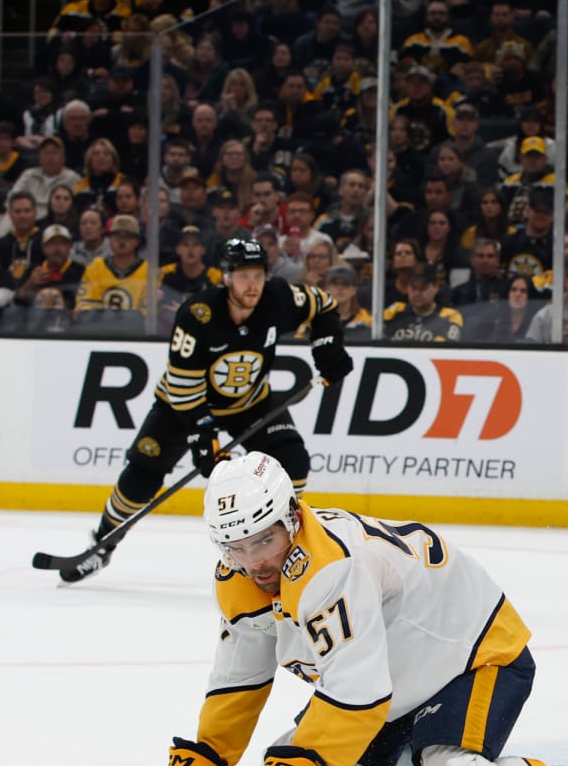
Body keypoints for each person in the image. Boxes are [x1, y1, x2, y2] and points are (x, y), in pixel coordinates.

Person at [158, 451, 568, 766]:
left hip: (474, 658)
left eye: (263, 541)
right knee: (287, 764)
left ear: (292, 518)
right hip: (395, 684)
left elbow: (355, 688)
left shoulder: (332, 566)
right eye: (235, 546)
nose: (255, 564)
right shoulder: (239, 576)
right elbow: (241, 674)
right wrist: (207, 756)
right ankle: (428, 750)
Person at [60, 239, 354, 584]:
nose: (252, 285)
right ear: (226, 278)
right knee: (141, 477)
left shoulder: (279, 297)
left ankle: (286, 550)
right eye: (243, 275)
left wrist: (327, 345)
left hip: (250, 401)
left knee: (293, 463)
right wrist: (202, 437)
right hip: (182, 405)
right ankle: (102, 544)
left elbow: (324, 305)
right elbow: (184, 386)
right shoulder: (198, 314)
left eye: (257, 275)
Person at [74, 214, 149, 313]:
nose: (122, 241)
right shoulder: (95, 268)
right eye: (117, 236)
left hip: (136, 327)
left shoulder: (150, 271)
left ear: (137, 241)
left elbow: (148, 312)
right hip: (99, 326)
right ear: (109, 239)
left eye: (127, 236)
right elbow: (84, 304)